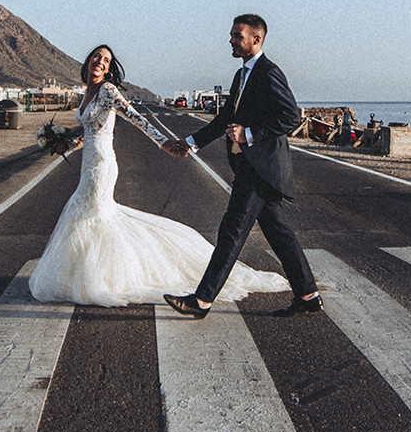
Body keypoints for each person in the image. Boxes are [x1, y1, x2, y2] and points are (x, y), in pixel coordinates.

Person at [29, 45, 289, 307]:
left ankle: (99, 279)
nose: (100, 62)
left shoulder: (108, 91)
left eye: (106, 60)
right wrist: (66, 144)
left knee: (92, 214)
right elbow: (90, 132)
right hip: (89, 162)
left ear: (109, 69)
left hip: (102, 166)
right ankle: (85, 275)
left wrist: (164, 143)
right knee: (89, 216)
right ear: (88, 62)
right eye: (97, 57)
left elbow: (137, 119)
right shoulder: (88, 93)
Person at [162, 15, 322, 320]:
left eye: (238, 36)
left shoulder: (268, 72)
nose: (232, 40)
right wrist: (191, 142)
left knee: (231, 232)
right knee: (278, 232)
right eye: (232, 35)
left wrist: (249, 134)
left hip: (260, 168)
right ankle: (308, 295)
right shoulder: (241, 75)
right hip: (252, 166)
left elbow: (290, 116)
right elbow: (225, 120)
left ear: (256, 39)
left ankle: (202, 300)